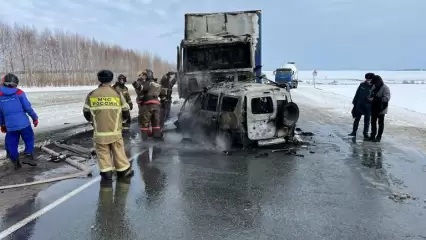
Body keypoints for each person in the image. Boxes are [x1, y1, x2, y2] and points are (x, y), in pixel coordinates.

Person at [83, 70, 134, 182]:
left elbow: (86, 112)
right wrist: (122, 121)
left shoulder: (92, 94)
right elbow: (126, 110)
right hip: (115, 132)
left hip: (100, 133)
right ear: (111, 79)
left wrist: (94, 122)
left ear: (99, 79)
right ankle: (124, 171)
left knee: (103, 155)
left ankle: (107, 175)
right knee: (119, 153)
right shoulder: (116, 93)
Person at [0, 73, 38, 169]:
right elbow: (27, 108)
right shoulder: (19, 93)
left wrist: (2, 124)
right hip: (24, 123)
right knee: (29, 138)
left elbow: (0, 113)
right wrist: (34, 118)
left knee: (12, 143)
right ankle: (28, 154)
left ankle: (14, 159)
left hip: (10, 126)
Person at [349, 72, 374, 139]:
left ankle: (365, 134)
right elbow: (357, 93)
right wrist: (354, 102)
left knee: (367, 121)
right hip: (359, 104)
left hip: (368, 106)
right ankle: (354, 132)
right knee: (356, 119)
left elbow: (376, 97)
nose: (368, 81)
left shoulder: (374, 87)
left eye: (370, 79)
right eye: (367, 79)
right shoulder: (362, 85)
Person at [140, 69, 162, 140]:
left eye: (144, 75)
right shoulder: (156, 84)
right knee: (156, 123)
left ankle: (144, 138)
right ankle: (156, 137)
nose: (143, 77)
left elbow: (142, 89)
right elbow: (162, 94)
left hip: (148, 105)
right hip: (157, 105)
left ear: (147, 75)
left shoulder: (147, 83)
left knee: (145, 123)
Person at [367, 75, 391, 142]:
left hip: (381, 108)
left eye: (375, 83)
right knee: (373, 122)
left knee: (380, 123)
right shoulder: (374, 86)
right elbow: (371, 94)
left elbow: (387, 98)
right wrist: (370, 98)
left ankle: (378, 137)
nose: (374, 84)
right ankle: (372, 136)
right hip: (374, 107)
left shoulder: (385, 88)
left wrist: (375, 99)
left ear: (379, 82)